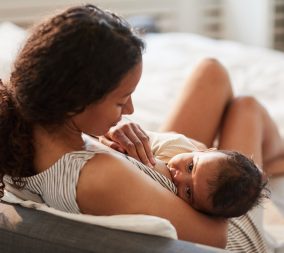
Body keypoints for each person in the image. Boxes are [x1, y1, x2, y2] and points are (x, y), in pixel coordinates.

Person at [0, 4, 283, 252]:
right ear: (78, 101)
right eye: (121, 101)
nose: (131, 110)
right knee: (246, 108)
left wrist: (108, 133)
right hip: (227, 219)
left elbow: (145, 170)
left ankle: (269, 158)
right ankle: (273, 161)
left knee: (211, 72)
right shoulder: (99, 176)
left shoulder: (27, 118)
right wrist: (210, 161)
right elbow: (217, 237)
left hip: (168, 177)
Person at [143, 131, 268, 218]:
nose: (177, 177)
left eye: (188, 192)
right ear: (205, 150)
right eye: (190, 167)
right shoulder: (175, 144)